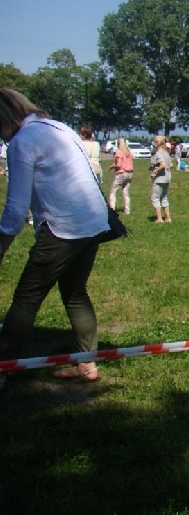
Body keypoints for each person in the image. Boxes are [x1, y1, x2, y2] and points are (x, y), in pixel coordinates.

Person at [0, 88, 109, 389]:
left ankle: (2, 366)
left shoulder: (22, 142)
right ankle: (87, 363)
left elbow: (15, 209)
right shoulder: (59, 127)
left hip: (63, 228)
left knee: (26, 299)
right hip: (93, 221)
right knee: (75, 291)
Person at [108, 137, 134, 214]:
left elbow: (119, 165)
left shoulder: (119, 152)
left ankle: (112, 209)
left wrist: (111, 166)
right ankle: (127, 210)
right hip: (130, 173)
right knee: (125, 191)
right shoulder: (129, 152)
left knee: (113, 191)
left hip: (121, 173)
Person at [149, 135, 172, 223]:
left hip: (160, 178)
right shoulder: (166, 153)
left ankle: (159, 218)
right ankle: (168, 217)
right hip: (167, 177)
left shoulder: (158, 153)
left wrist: (154, 171)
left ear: (156, 143)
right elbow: (171, 165)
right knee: (164, 197)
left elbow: (162, 164)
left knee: (155, 197)